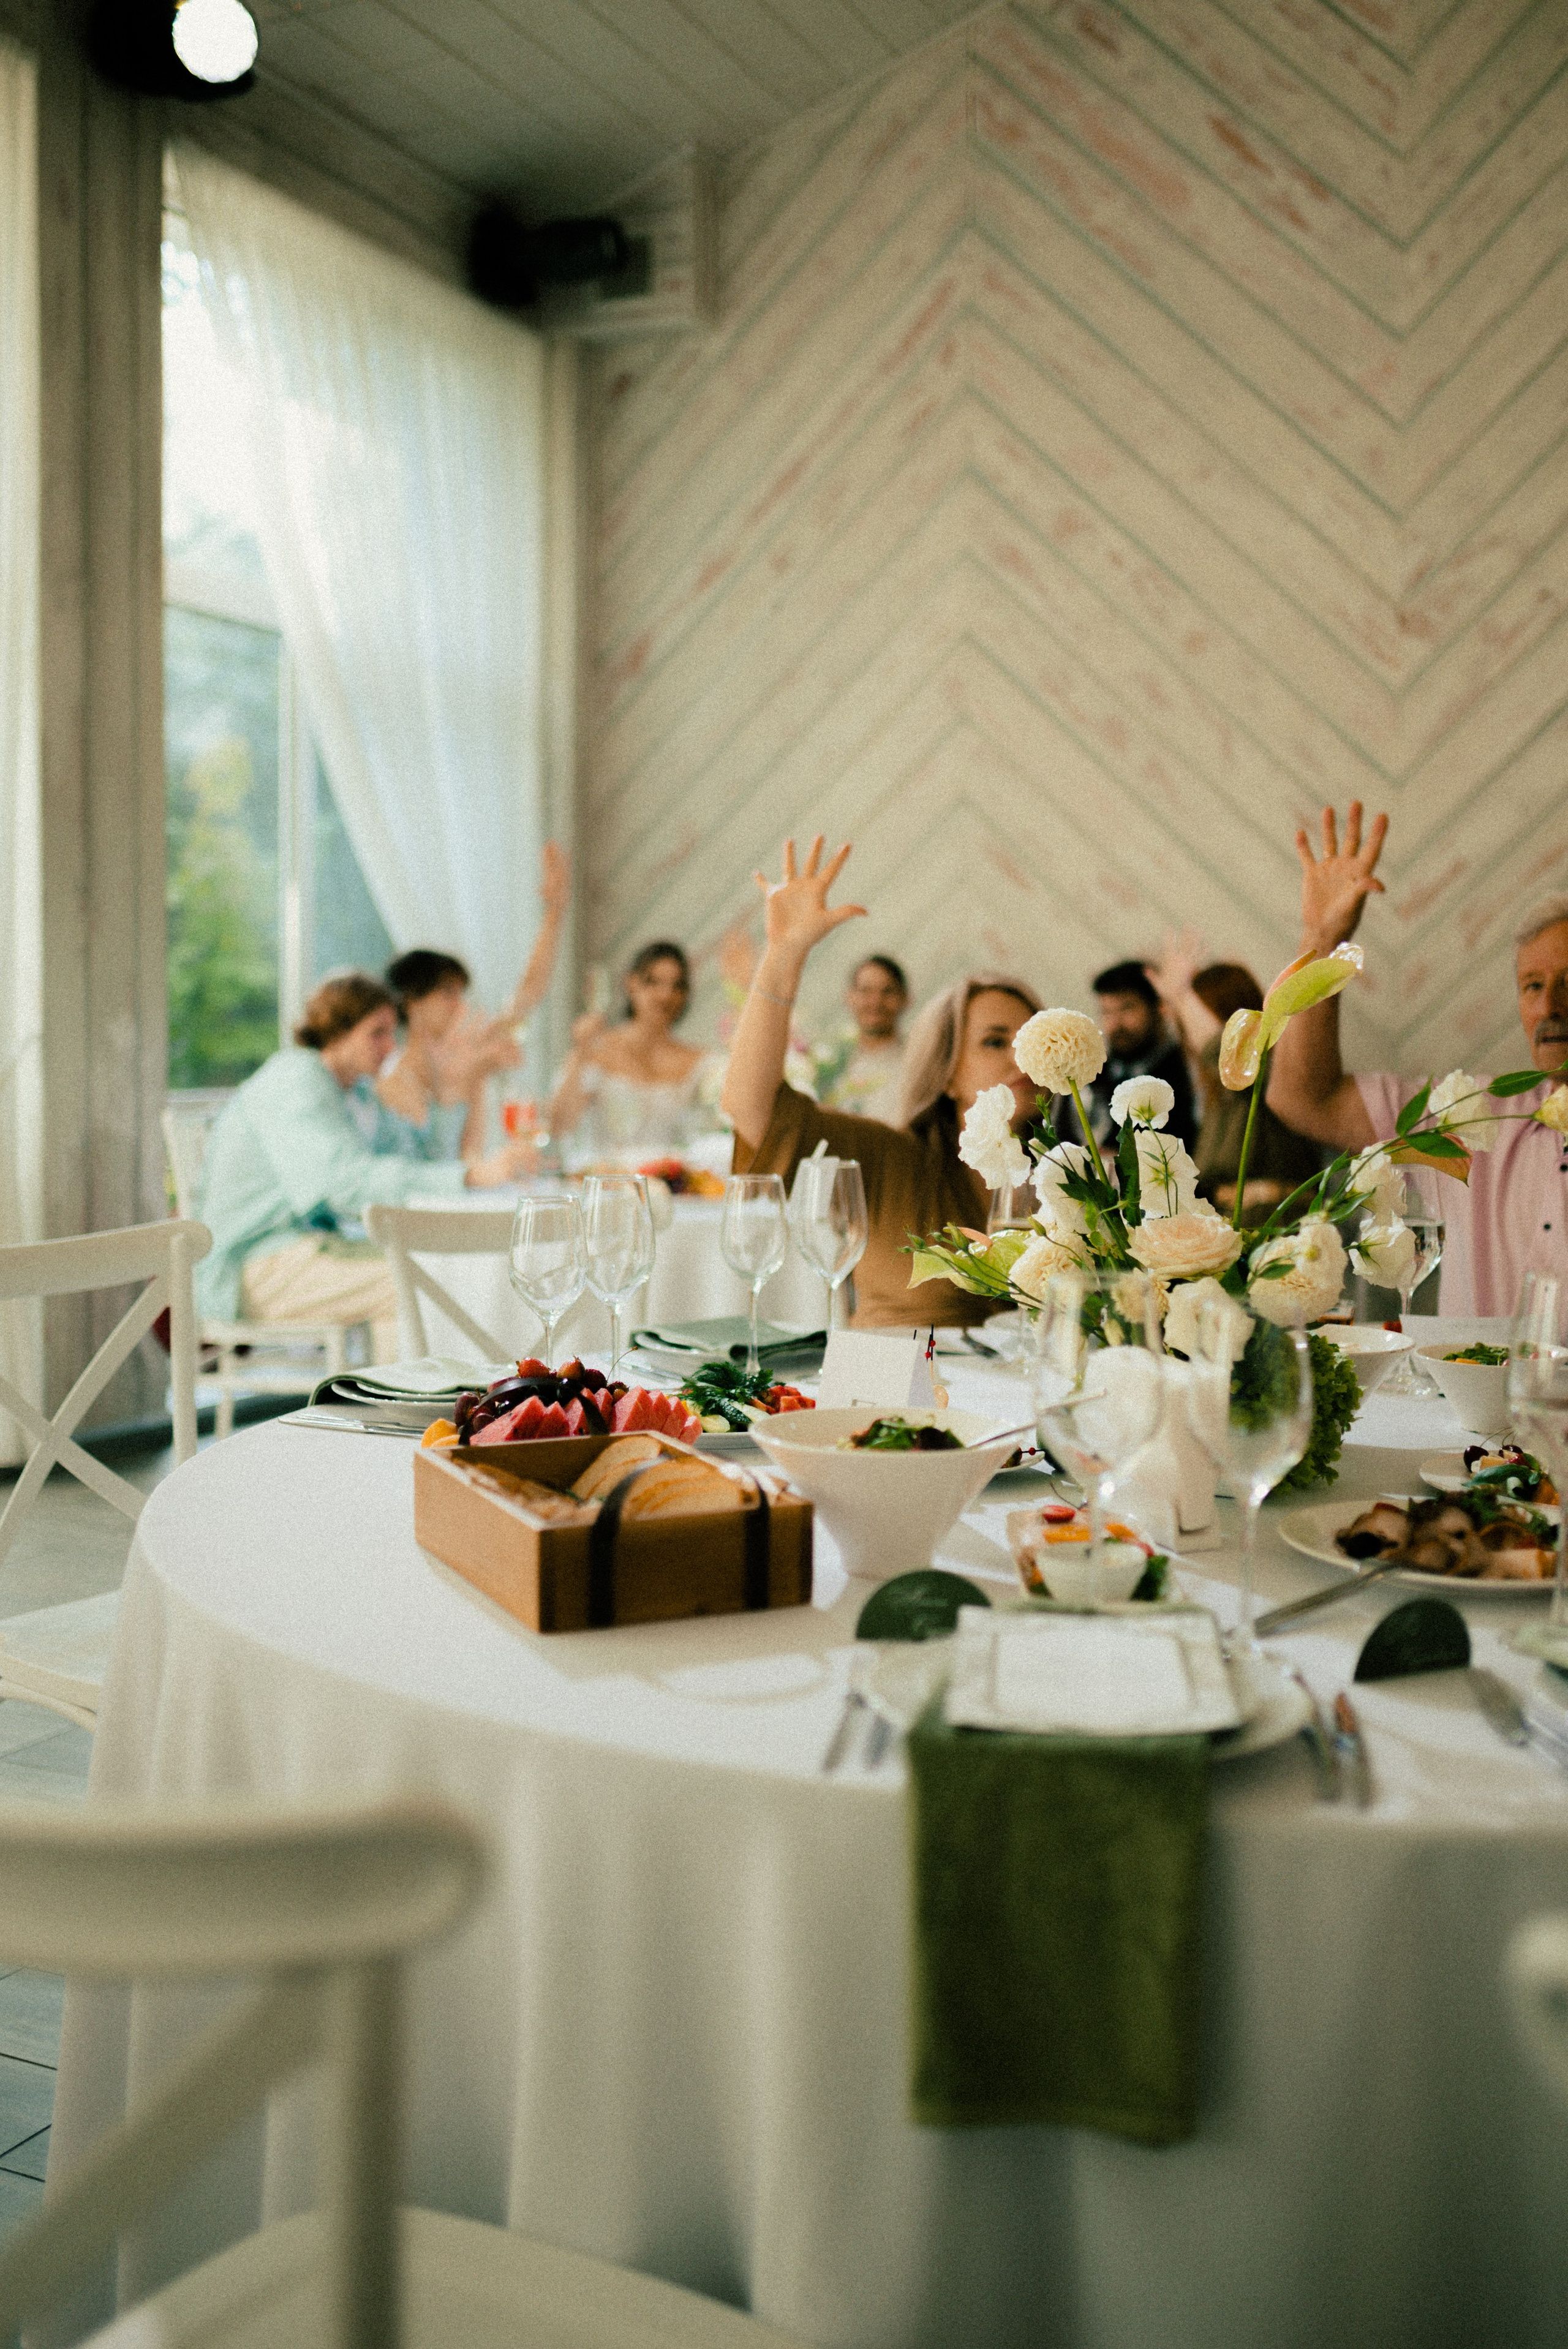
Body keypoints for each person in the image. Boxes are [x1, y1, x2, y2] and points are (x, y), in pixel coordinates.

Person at [721, 838, 1043, 1328]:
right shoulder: (889, 1160)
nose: (1020, 1057)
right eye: (996, 1041)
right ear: (948, 1073)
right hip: (887, 1398)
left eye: (1032, 1042)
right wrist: (782, 959)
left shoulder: (1073, 1183)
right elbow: (752, 1109)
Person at [1266, 802, 1568, 1315]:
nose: (1548, 1006)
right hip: (1477, 1397)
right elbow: (1304, 1100)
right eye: (1532, 985)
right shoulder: (1472, 1113)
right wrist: (1323, 942)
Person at [195, 971, 537, 1359]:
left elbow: (422, 1161)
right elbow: (342, 1184)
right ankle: (405, 1409)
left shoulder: (354, 1093)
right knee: (417, 1281)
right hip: (252, 1268)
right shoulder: (293, 1080)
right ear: (338, 1031)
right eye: (377, 1032)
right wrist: (473, 1176)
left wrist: (452, 1087)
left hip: (307, 1251)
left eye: (392, 1033)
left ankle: (438, 1404)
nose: (390, 1047)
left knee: (432, 1270)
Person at [374, 840, 569, 1158]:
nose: (460, 1005)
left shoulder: (468, 1049)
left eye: (461, 993)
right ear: (412, 1002)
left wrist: (555, 913)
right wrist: (473, 1073)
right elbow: (438, 1163)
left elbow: (528, 995)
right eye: (447, 993)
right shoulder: (393, 1081)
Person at [1146, 933, 1321, 1221]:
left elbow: (1222, 1050)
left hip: (1278, 1230)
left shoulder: (1269, 1072)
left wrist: (1183, 995)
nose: (1188, 1028)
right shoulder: (1214, 1094)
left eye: (1197, 1015)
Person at [550, 940, 722, 1160]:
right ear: (632, 983)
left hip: (673, 1185)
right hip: (606, 1183)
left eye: (676, 986)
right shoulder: (597, 1050)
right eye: (654, 983)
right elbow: (559, 1126)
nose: (665, 995)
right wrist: (580, 1051)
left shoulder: (699, 1061)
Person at [1076, 960, 1199, 1152]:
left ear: (1157, 1007)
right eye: (1107, 1012)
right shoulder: (1096, 1074)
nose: (1116, 1024)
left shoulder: (1185, 1070)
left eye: (1127, 1008)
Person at [806, 954, 911, 1125]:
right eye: (866, 991)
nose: (876, 1002)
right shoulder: (829, 1067)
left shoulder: (920, 1060)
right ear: (849, 997)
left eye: (887, 991)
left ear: (905, 998)